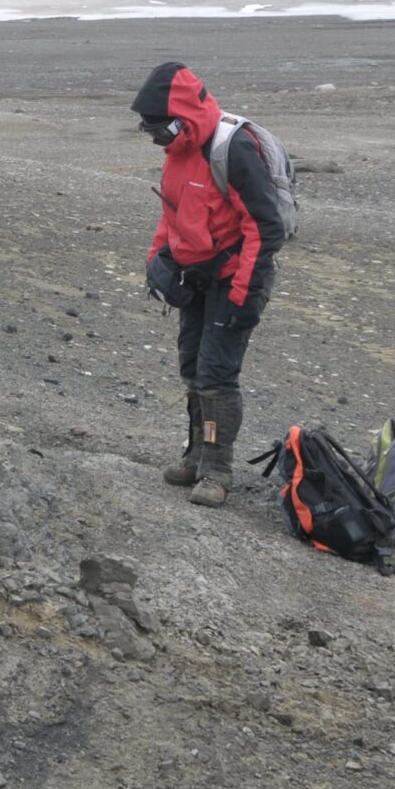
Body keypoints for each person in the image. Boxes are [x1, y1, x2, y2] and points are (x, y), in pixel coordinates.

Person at [132, 61, 285, 507]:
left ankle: (217, 470)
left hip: (235, 279)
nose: (157, 139)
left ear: (182, 118)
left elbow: (264, 228)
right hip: (194, 278)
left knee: (216, 375)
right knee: (192, 368)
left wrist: (243, 295)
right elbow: (172, 213)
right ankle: (195, 455)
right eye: (151, 132)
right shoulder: (178, 151)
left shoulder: (232, 150)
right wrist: (157, 262)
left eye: (160, 130)